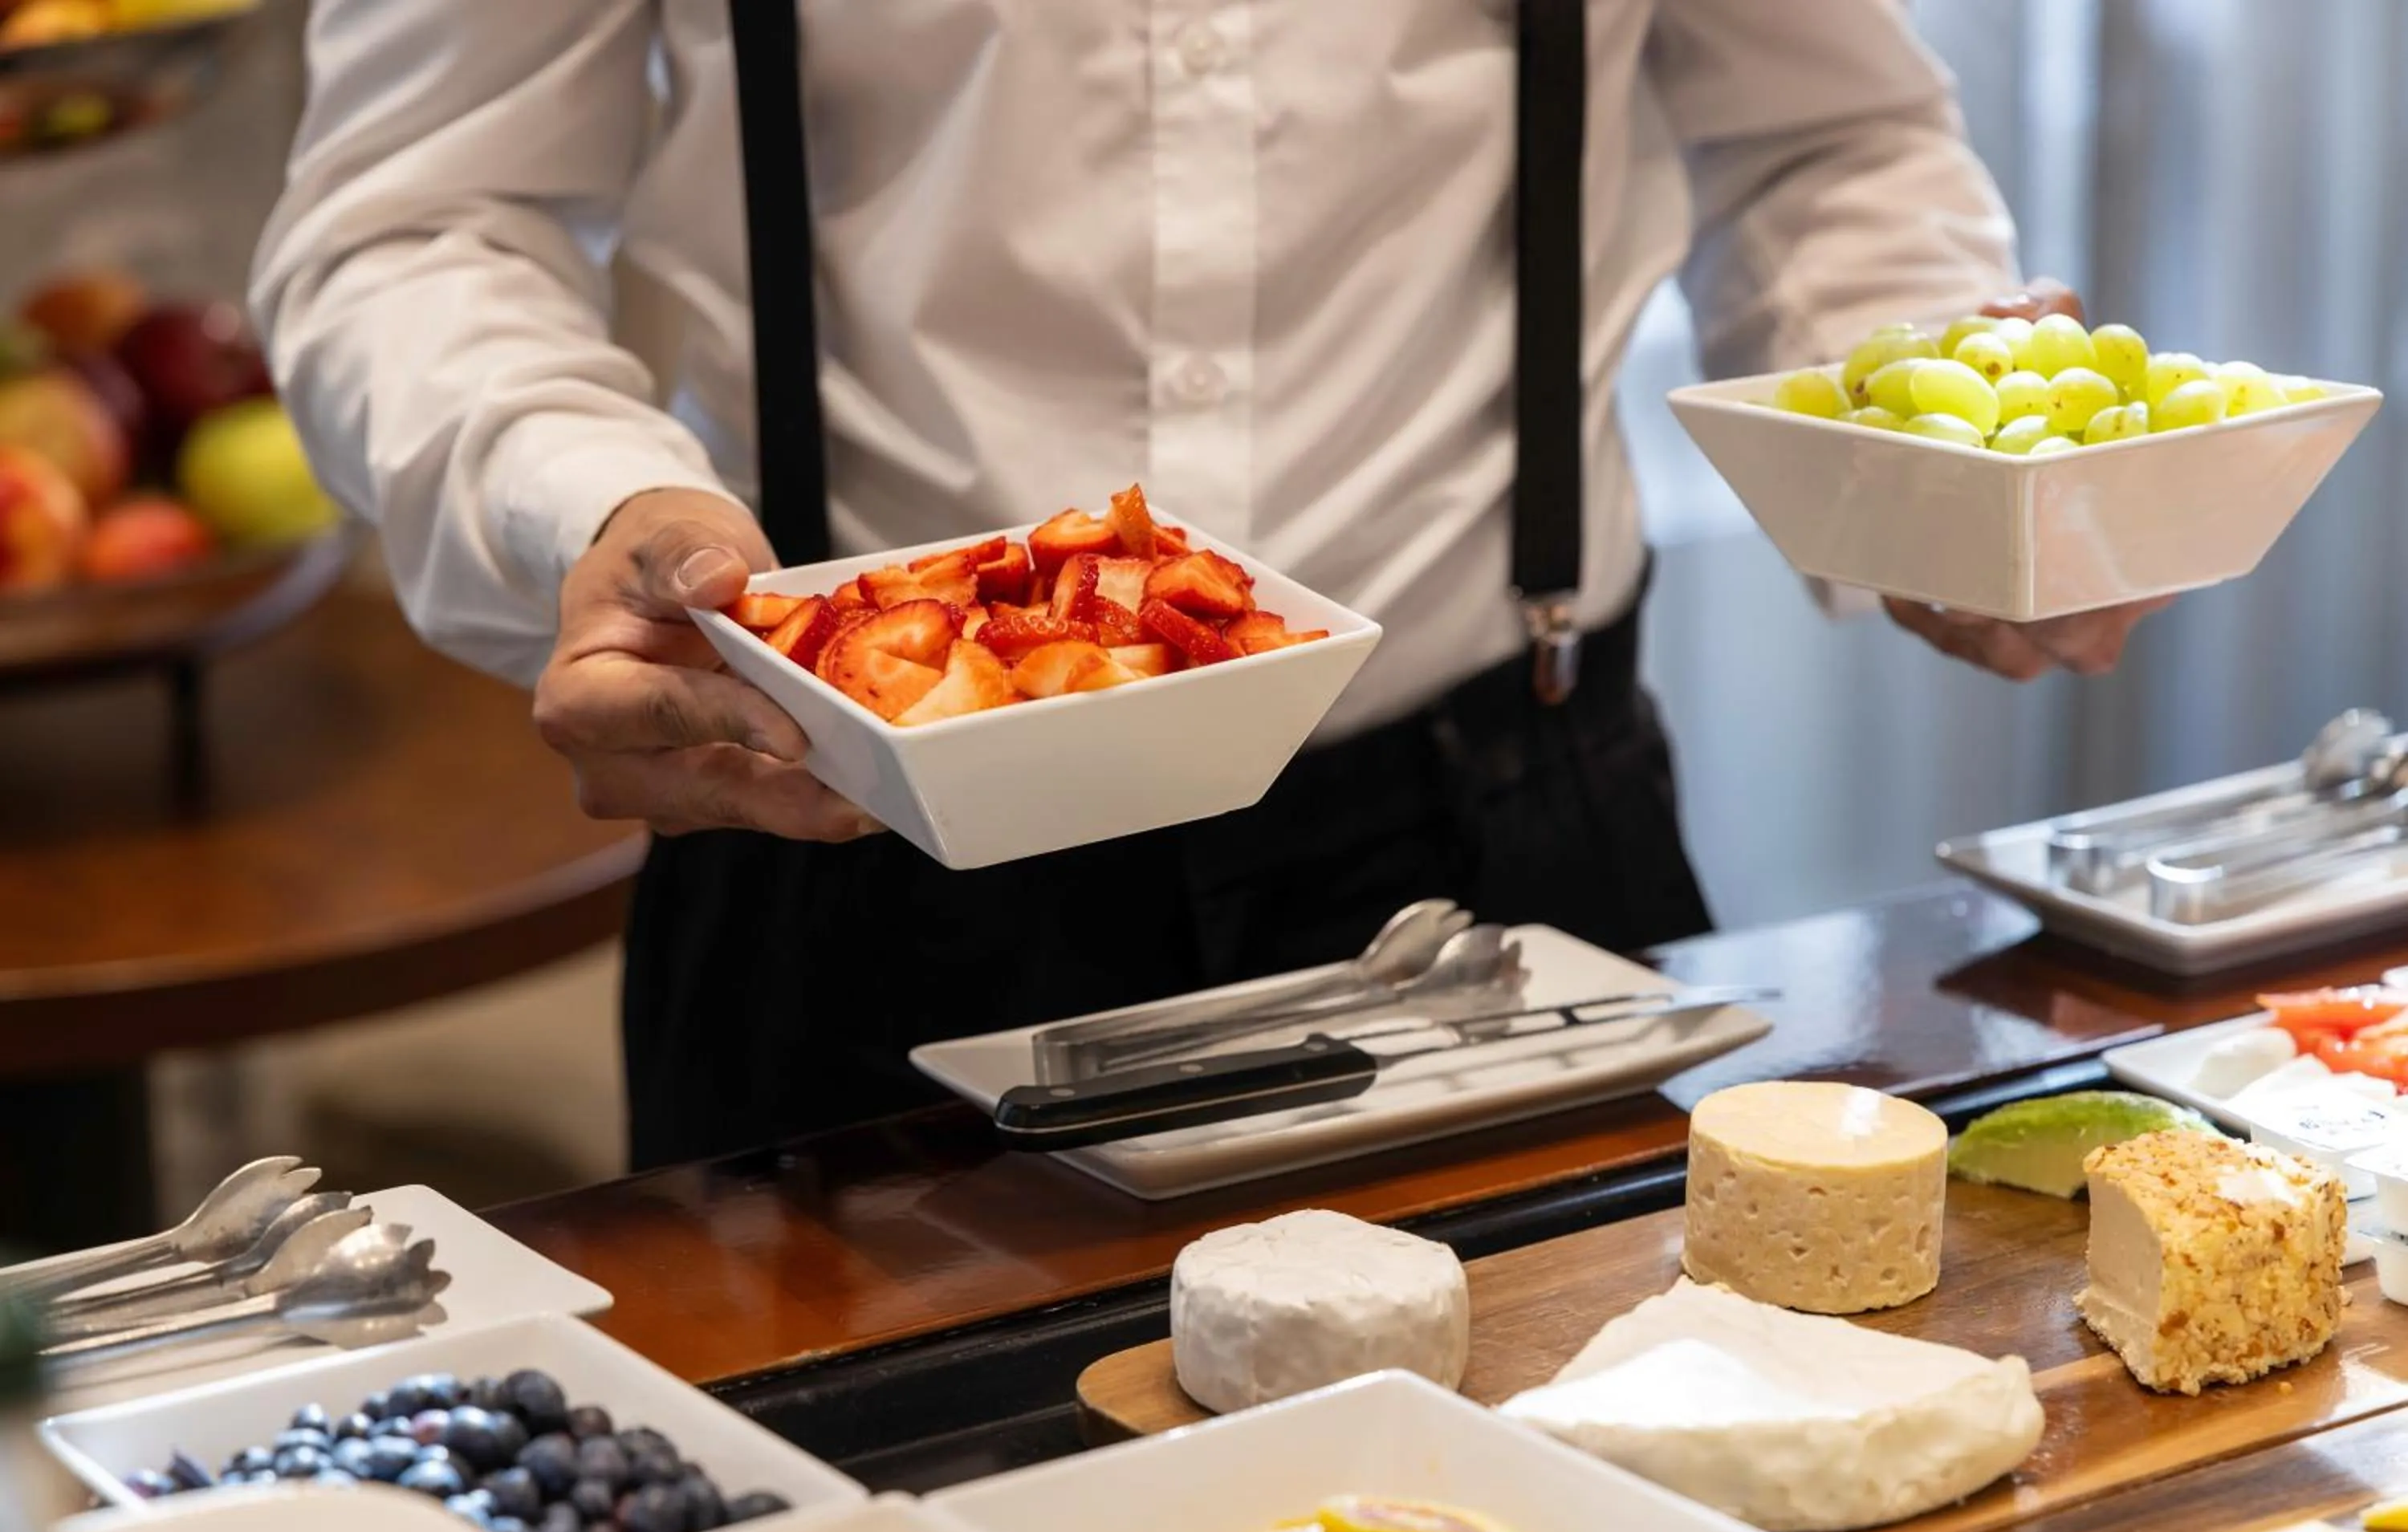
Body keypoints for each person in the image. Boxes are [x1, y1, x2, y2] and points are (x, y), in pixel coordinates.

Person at [252, 2, 2154, 1170]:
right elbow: (420, 220)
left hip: (1502, 844)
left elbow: (1821, 128)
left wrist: (1917, 450)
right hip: (853, 849)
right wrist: (587, 493)